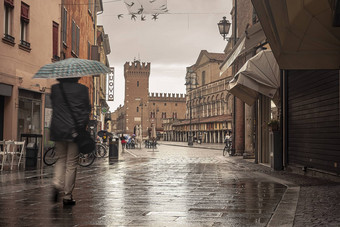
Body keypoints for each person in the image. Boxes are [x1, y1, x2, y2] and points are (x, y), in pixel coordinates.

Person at [50, 77, 91, 206]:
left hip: (57, 130)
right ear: (77, 76)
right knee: (71, 163)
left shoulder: (55, 88)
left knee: (60, 159)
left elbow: (55, 105)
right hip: (75, 131)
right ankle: (67, 196)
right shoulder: (82, 89)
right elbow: (87, 110)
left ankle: (56, 184)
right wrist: (82, 126)